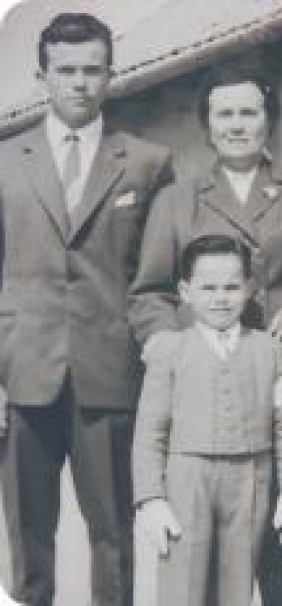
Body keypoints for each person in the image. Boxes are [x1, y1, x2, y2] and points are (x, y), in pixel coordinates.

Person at [128, 65, 282, 604]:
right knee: (198, 552)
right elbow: (149, 292)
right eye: (223, 114)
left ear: (268, 121)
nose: (237, 124)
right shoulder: (176, 200)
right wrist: (167, 345)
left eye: (249, 112)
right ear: (206, 125)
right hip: (202, 391)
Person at [0, 13, 172, 606]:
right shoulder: (4, 162)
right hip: (24, 374)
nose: (80, 83)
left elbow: (156, 280)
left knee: (114, 536)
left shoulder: (147, 163)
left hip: (110, 373)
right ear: (41, 77)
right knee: (28, 537)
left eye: (92, 70)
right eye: (66, 71)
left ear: (110, 74)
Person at [132, 234, 282, 605]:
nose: (220, 297)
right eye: (208, 287)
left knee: (237, 584)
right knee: (183, 583)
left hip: (251, 479)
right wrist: (150, 498)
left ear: (249, 288)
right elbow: (150, 431)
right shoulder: (169, 351)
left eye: (231, 287)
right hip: (187, 478)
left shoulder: (272, 352)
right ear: (185, 291)